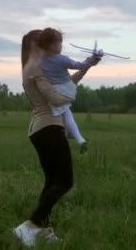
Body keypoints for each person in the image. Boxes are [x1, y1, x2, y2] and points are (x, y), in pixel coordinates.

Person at [14, 29, 100, 247]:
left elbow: (67, 84)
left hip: (44, 129)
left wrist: (87, 65)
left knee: (52, 182)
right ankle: (29, 226)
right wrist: (70, 98)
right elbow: (55, 97)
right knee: (65, 181)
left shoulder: (37, 67)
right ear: (33, 45)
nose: (47, 45)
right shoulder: (35, 67)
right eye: (41, 41)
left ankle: (42, 228)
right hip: (48, 129)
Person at [38, 27, 99, 153]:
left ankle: (77, 138)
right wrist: (91, 60)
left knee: (65, 115)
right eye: (59, 43)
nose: (61, 46)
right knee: (66, 114)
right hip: (66, 89)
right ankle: (78, 138)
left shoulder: (40, 61)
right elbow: (79, 65)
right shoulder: (61, 59)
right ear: (51, 45)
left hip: (55, 91)